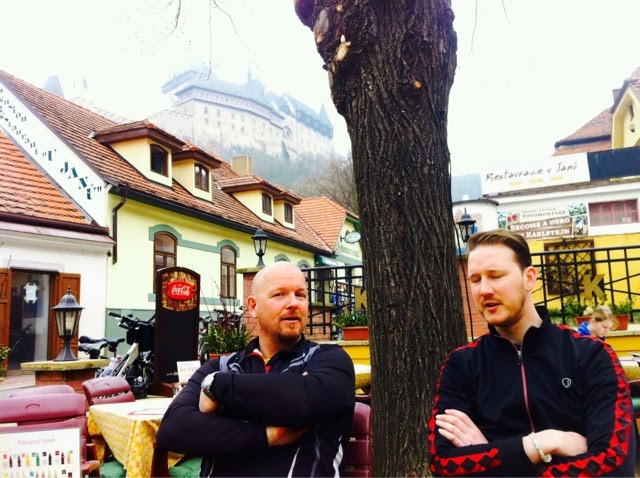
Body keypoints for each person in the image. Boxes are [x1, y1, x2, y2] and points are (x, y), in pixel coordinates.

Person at [428, 229, 635, 476]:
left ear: (529, 278)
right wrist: (544, 443)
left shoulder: (592, 355)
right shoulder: (461, 365)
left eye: (496, 276)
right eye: (475, 280)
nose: (484, 290)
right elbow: (442, 465)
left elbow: (614, 464)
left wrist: (492, 458)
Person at [157, 261, 356, 477]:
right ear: (253, 307)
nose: (293, 303)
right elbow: (172, 430)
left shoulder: (330, 360)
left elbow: (304, 401)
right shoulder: (223, 365)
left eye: (300, 295)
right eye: (279, 294)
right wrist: (266, 435)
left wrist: (216, 386)